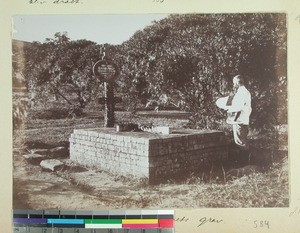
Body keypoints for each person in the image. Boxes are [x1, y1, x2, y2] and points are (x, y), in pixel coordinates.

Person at [216, 75, 252, 150]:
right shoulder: (246, 92)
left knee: (240, 142)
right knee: (243, 140)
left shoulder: (241, 93)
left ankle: (244, 161)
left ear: (237, 83)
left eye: (234, 83)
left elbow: (238, 108)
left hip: (239, 121)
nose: (234, 85)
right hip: (244, 120)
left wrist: (234, 119)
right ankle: (247, 160)